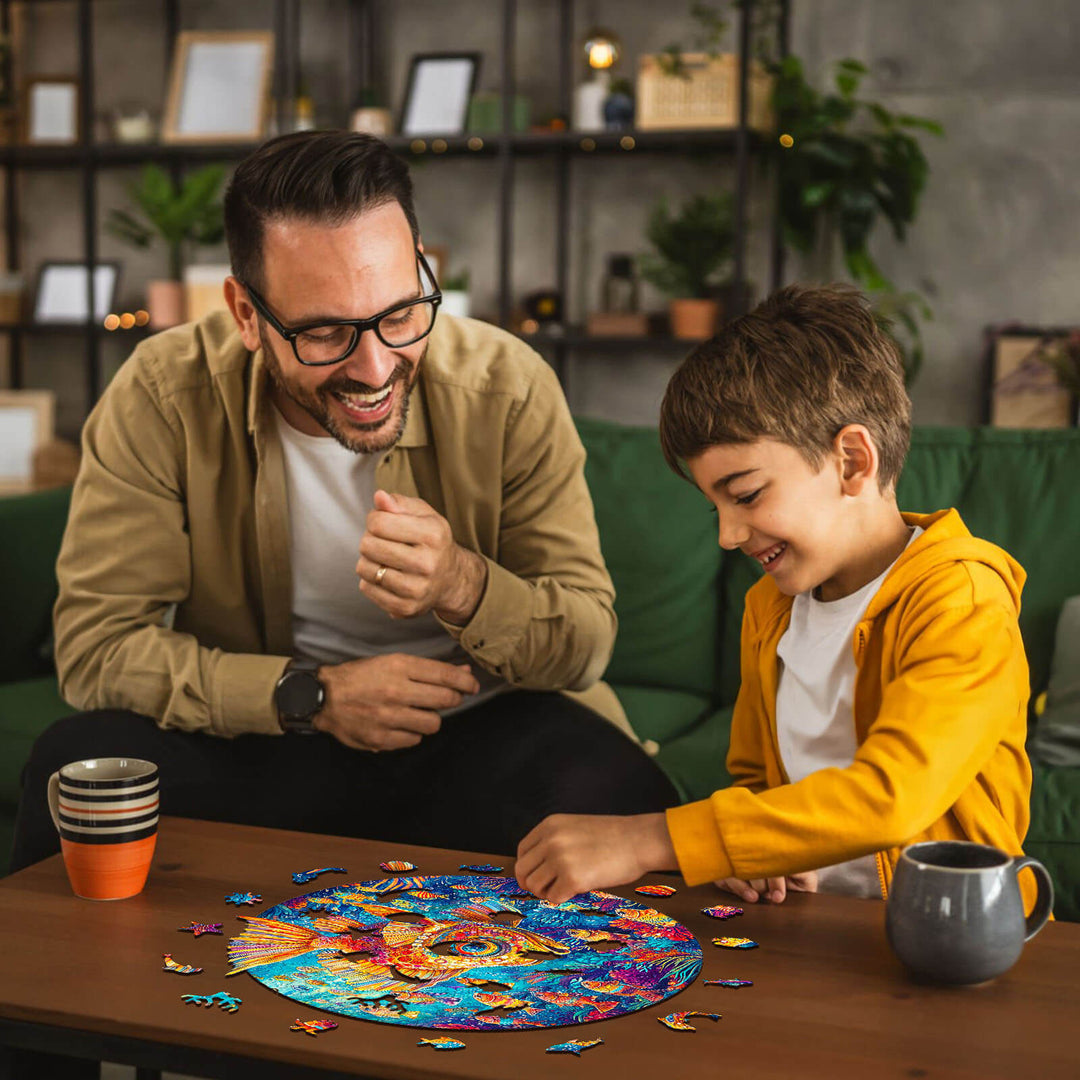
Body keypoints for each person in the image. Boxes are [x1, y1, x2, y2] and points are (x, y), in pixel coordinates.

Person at [11, 130, 677, 875]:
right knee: (75, 764)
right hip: (272, 738)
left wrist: (463, 582)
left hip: (481, 735)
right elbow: (96, 648)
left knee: (617, 797)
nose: (375, 367)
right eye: (325, 331)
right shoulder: (165, 395)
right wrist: (310, 696)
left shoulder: (508, 385)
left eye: (399, 313)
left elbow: (585, 642)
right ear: (246, 314)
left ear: (423, 267)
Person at [514, 284, 1038, 913]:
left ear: (851, 460)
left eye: (747, 494)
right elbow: (757, 782)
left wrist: (652, 838)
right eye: (715, 506)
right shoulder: (771, 607)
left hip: (951, 942)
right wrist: (750, 863)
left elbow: (891, 796)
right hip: (813, 930)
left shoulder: (961, 600)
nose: (728, 535)